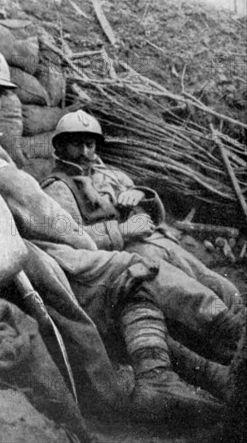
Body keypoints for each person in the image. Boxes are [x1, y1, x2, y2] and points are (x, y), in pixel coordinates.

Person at [0, 35, 233, 422]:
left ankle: (206, 367)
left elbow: (145, 211)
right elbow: (42, 212)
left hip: (55, 252)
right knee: (131, 273)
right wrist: (106, 242)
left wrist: (141, 207)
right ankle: (220, 343)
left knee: (161, 278)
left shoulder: (99, 172)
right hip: (27, 259)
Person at [41, 110, 245, 363]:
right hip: (123, 258)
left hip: (157, 243)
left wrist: (142, 196)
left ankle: (237, 330)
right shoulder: (57, 190)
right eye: (76, 144)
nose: (84, 152)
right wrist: (122, 231)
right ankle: (229, 337)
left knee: (220, 285)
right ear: (60, 147)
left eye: (90, 144)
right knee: (194, 295)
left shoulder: (111, 175)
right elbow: (70, 240)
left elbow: (153, 217)